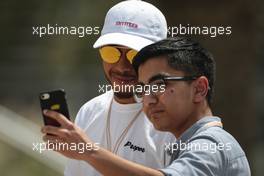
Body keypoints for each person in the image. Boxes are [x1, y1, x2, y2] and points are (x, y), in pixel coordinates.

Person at [42, 37, 251, 176]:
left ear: (199, 89)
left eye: (159, 85)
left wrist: (89, 152)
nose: (148, 99)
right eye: (142, 89)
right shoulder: (186, 145)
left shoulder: (211, 145)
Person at [62, 0, 174, 175]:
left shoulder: (174, 121)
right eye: (110, 52)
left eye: (134, 55)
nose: (122, 66)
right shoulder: (89, 111)